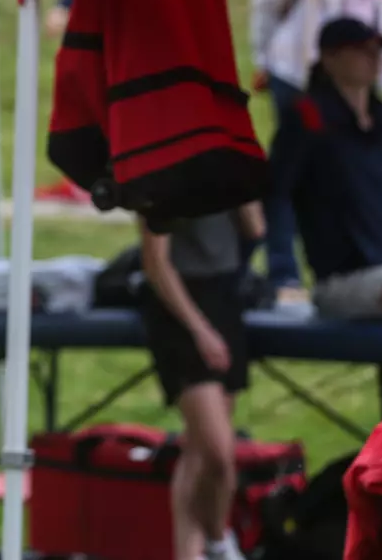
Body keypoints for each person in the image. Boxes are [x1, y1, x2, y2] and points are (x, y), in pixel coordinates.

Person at [137, 200, 264, 560]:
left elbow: (256, 228)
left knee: (197, 452)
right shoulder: (160, 184)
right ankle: (218, 541)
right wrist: (199, 329)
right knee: (217, 452)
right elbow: (155, 262)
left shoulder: (228, 179)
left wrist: (241, 187)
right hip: (179, 309)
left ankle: (190, 551)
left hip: (224, 298)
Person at [249, 0, 382, 306]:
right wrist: (283, 272)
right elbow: (277, 193)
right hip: (345, 276)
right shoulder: (309, 120)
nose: (373, 57)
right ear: (330, 58)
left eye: (377, 49)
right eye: (361, 50)